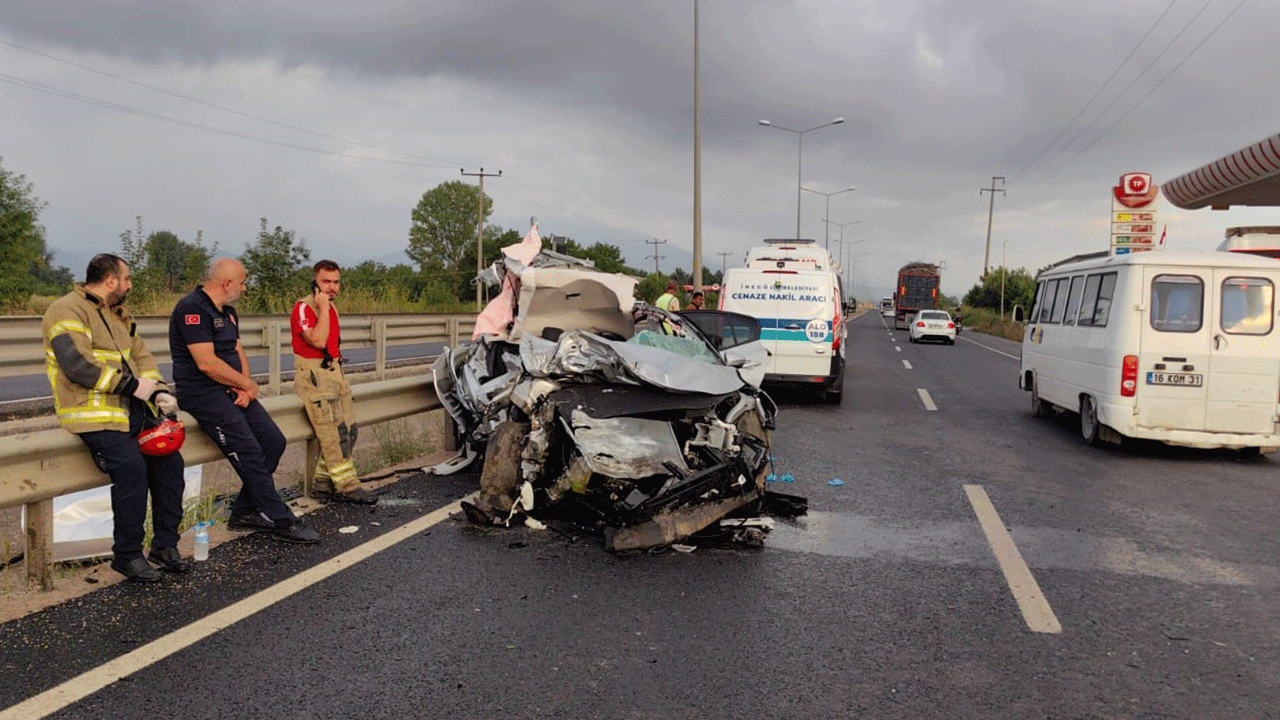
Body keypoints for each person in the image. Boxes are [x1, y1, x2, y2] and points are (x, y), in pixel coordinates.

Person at [43, 254, 190, 582]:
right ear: (111, 280)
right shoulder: (65, 310)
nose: (129, 285)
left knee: (170, 466)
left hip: (130, 411)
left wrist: (159, 392)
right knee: (132, 469)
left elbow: (142, 357)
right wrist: (134, 386)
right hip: (91, 413)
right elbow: (76, 365)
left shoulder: (118, 315)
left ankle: (165, 546)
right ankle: (127, 555)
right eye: (127, 279)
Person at [169, 258, 319, 544]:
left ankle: (245, 512)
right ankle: (281, 519)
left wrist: (246, 387)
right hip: (203, 393)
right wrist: (244, 383)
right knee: (249, 451)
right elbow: (206, 363)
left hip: (231, 388)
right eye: (242, 282)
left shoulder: (229, 312)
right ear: (226, 284)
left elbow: (237, 350)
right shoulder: (192, 309)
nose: (245, 287)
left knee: (273, 442)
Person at [291, 260, 377, 504]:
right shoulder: (304, 308)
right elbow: (317, 341)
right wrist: (323, 307)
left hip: (335, 373)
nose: (331, 287)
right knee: (333, 435)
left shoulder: (329, 308)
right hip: (314, 377)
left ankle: (323, 484)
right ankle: (348, 487)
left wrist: (326, 308)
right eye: (325, 282)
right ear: (314, 283)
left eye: (335, 282)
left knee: (349, 431)